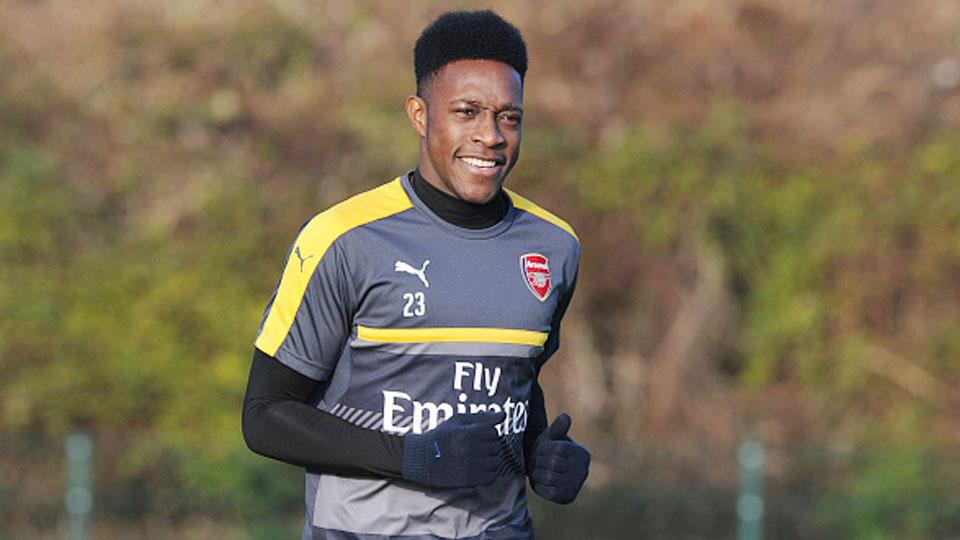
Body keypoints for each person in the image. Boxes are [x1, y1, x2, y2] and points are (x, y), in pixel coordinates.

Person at [242, 10, 590, 540]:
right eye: (467, 112)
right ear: (420, 115)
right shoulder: (342, 239)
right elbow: (265, 415)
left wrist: (541, 455)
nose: (490, 136)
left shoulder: (554, 246)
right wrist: (413, 456)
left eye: (509, 117)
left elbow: (514, 386)